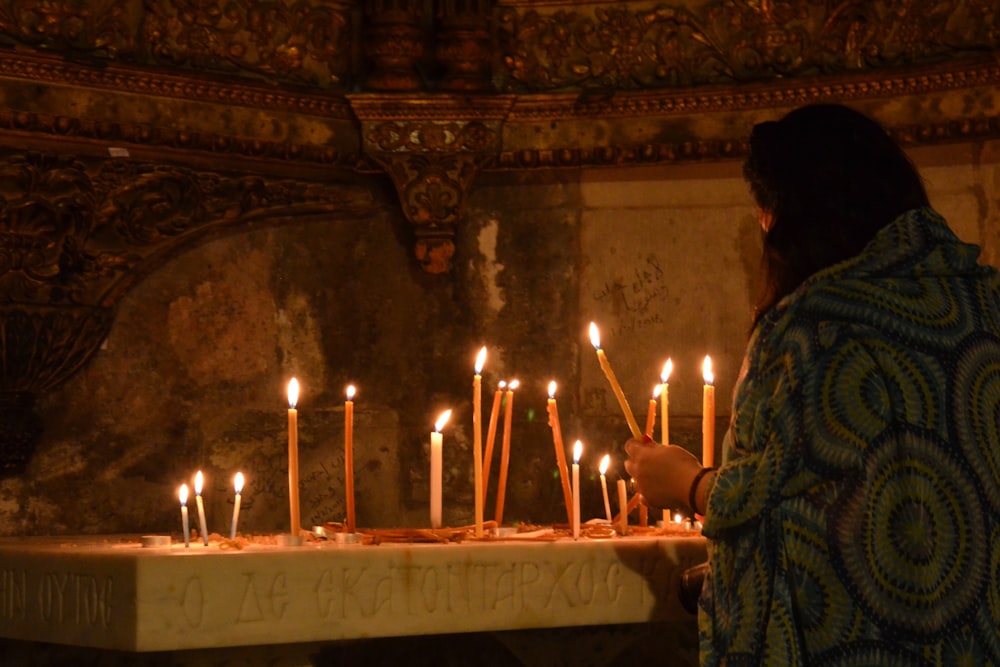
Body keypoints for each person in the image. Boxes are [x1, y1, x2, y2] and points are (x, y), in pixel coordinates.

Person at [624, 103, 1000, 666]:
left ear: (789, 218)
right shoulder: (983, 304)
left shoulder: (810, 328)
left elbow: (759, 497)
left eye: (764, 216)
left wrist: (684, 481)